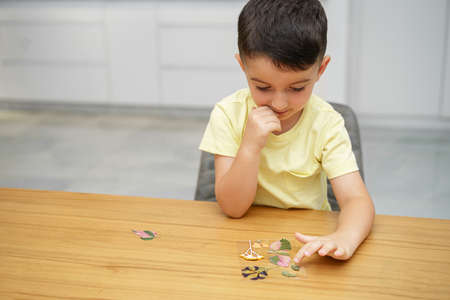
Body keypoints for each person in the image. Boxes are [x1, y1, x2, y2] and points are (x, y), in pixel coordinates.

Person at [199, 0, 374, 264]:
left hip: (304, 245)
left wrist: (345, 237)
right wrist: (249, 147)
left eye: (296, 88)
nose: (279, 104)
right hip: (243, 240)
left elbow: (356, 200)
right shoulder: (227, 114)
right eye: (263, 87)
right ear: (243, 66)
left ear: (320, 70)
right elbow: (233, 209)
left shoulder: (327, 123)